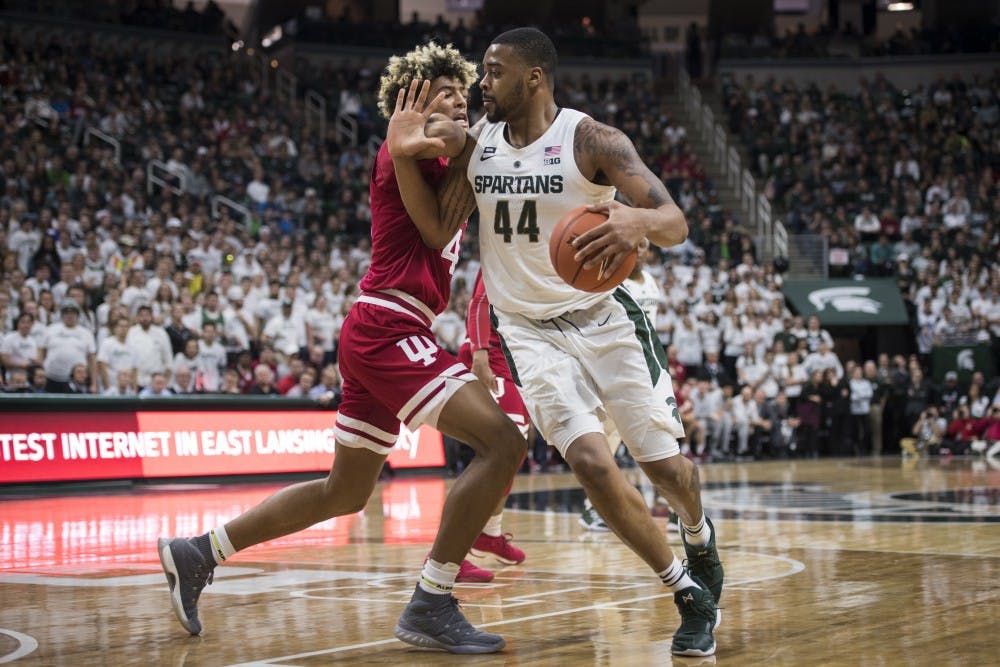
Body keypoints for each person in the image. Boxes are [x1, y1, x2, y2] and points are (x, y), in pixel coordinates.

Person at [157, 42, 525, 655]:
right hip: (389, 327)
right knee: (504, 441)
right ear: (409, 99)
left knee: (344, 493)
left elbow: (456, 178)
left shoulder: (438, 155)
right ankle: (432, 601)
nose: (458, 98)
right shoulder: (407, 144)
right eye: (443, 90)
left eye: (463, 90)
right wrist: (483, 126)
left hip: (385, 328)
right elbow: (438, 188)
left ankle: (200, 552)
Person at [388, 28, 722, 657]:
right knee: (593, 464)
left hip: (605, 318)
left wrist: (636, 220)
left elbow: (675, 222)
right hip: (530, 333)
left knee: (665, 470)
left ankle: (699, 536)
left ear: (533, 78)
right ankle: (685, 593)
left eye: (493, 73)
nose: (481, 85)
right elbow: (435, 231)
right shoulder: (478, 145)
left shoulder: (591, 140)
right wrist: (405, 154)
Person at [456, 269, 528, 570]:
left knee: (511, 452)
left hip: (516, 358)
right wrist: (480, 352)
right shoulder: (505, 245)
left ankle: (490, 534)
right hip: (490, 354)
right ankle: (451, 550)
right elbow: (479, 302)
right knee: (501, 450)